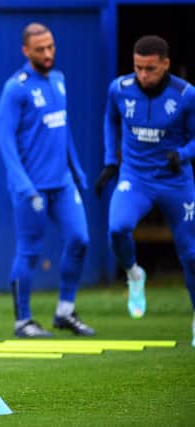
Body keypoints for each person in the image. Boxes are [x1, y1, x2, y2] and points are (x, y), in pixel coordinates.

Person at [0, 23, 95, 338]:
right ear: (26, 51)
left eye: (51, 46)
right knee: (30, 251)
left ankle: (65, 311)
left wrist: (76, 169)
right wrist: (25, 187)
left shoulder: (59, 79)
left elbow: (63, 131)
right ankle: (23, 320)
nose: (48, 53)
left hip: (62, 183)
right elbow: (5, 142)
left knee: (80, 239)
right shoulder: (16, 88)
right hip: (31, 188)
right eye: (40, 49)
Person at [95, 35, 195, 345]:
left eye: (150, 69)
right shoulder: (119, 89)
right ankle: (134, 274)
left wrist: (183, 154)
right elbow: (110, 119)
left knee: (191, 254)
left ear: (165, 64)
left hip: (174, 180)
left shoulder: (186, 94)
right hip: (135, 177)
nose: (143, 75)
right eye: (138, 68)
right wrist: (111, 161)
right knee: (117, 228)